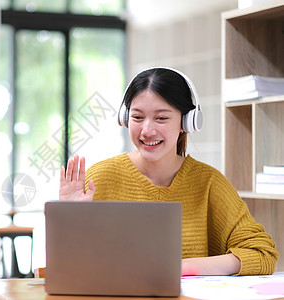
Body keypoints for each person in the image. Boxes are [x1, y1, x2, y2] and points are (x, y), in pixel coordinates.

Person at [59, 67, 279, 276]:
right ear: (126, 119)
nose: (147, 130)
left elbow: (263, 254)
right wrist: (69, 223)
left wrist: (183, 267)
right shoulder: (98, 180)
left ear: (186, 121)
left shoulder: (208, 183)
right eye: (137, 117)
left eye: (161, 118)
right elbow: (68, 267)